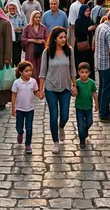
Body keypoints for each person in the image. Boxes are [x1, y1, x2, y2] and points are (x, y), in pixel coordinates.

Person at [38, 26, 77, 154]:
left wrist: (74, 85)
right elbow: (42, 72)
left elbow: (72, 69)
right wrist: (41, 89)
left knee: (65, 115)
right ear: (54, 39)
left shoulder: (69, 51)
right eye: (61, 37)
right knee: (53, 116)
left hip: (65, 87)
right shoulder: (47, 52)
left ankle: (61, 127)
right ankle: (55, 142)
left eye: (65, 37)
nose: (64, 39)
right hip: (51, 87)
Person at [11, 61, 39, 155]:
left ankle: (28, 145)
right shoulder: (17, 83)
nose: (29, 73)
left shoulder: (33, 81)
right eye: (26, 71)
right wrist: (13, 108)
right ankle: (20, 133)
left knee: (29, 127)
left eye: (30, 70)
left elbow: (35, 91)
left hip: (30, 109)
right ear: (21, 72)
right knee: (19, 126)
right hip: (19, 109)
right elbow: (13, 96)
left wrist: (39, 95)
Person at [75, 62, 98, 149]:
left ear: (89, 73)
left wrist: (96, 103)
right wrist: (73, 91)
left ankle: (85, 130)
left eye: (86, 72)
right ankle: (82, 139)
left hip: (89, 107)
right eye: (82, 72)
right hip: (79, 107)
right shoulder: (77, 82)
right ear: (78, 72)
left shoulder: (91, 83)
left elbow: (94, 93)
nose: (84, 74)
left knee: (90, 122)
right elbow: (74, 93)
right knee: (80, 124)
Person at [21, 11, 48, 81]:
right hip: (30, 50)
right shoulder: (27, 27)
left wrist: (42, 41)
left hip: (40, 50)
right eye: (36, 17)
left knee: (40, 67)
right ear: (32, 18)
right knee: (31, 67)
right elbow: (23, 39)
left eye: (39, 17)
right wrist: (33, 40)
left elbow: (47, 39)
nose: (38, 19)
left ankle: (39, 86)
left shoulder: (43, 28)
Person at [74, 5, 97, 79]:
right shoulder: (78, 21)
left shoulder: (90, 20)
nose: (88, 12)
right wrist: (87, 30)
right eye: (86, 11)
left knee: (89, 63)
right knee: (80, 64)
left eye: (89, 11)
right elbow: (77, 34)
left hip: (89, 47)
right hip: (80, 46)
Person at [8, 2, 27, 66]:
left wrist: (20, 29)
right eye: (10, 8)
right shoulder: (6, 16)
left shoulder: (21, 16)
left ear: (16, 8)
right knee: (10, 57)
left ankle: (17, 71)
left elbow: (26, 26)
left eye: (13, 8)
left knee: (17, 56)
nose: (11, 10)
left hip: (18, 38)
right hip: (9, 39)